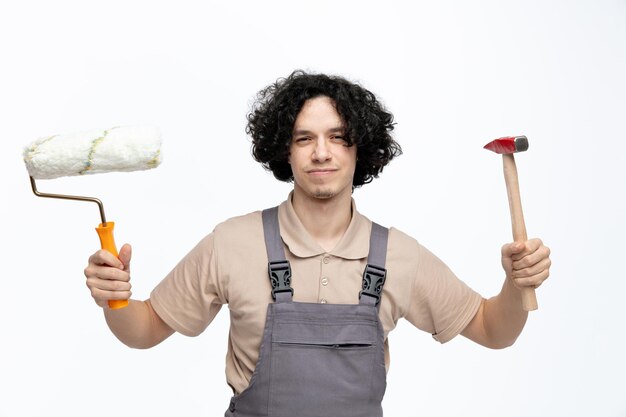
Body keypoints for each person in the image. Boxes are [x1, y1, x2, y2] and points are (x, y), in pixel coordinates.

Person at [84, 70, 551, 416]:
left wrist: (515, 284)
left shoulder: (400, 256)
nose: (321, 152)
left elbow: (494, 330)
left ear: (358, 149)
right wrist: (116, 299)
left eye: (337, 137)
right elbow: (143, 332)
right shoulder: (232, 243)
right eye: (304, 138)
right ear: (284, 151)